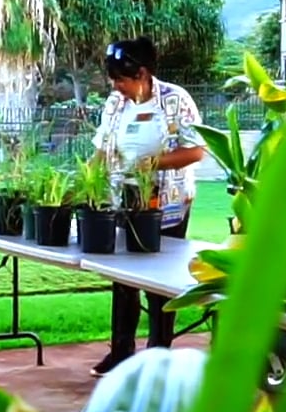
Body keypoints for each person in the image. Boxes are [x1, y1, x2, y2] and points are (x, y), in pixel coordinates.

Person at [88, 37, 209, 376]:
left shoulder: (175, 100)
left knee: (159, 281)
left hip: (166, 202)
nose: (117, 86)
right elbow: (101, 148)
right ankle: (121, 352)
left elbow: (196, 150)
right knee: (122, 277)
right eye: (113, 80)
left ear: (141, 73)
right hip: (121, 198)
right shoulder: (115, 103)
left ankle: (158, 356)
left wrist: (152, 163)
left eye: (122, 79)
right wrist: (87, 180)